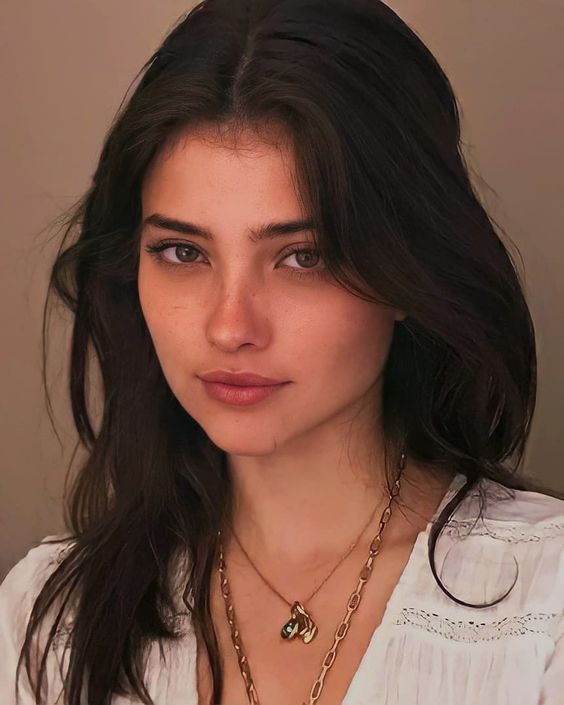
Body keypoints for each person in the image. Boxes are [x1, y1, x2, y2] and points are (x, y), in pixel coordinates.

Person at [1, 0, 563, 703]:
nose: (230, 326)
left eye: (303, 257)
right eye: (182, 251)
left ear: (404, 272)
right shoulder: (49, 620)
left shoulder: (545, 615)